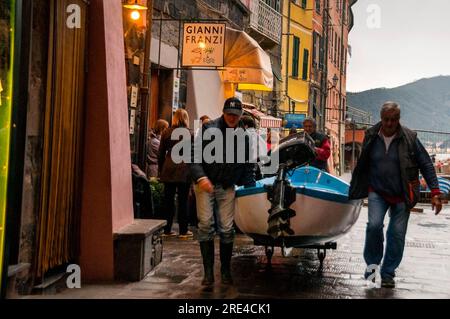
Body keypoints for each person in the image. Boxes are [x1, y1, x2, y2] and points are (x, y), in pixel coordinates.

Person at [349, 101, 443, 288]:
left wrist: (435, 192)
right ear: (381, 118)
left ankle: (388, 273)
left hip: (402, 194)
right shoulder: (371, 135)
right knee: (374, 226)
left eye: (394, 119)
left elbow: (426, 164)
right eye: (386, 119)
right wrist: (357, 185)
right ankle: (372, 266)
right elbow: (362, 164)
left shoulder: (409, 137)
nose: (390, 123)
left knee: (396, 234)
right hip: (377, 190)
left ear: (399, 119)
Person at [190, 97, 256, 285]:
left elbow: (248, 164)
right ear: (223, 112)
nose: (232, 118)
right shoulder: (208, 129)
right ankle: (208, 272)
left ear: (240, 115)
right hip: (205, 184)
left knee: (227, 229)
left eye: (236, 115)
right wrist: (201, 178)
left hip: (227, 186)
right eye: (229, 114)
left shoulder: (244, 136)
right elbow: (193, 155)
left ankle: (225, 271)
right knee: (205, 225)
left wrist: (250, 187)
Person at [158, 109, 193, 239]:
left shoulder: (166, 132)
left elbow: (161, 153)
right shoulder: (190, 134)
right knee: (183, 201)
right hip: (185, 170)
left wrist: (161, 169)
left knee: (168, 200)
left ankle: (167, 229)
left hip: (169, 169)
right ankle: (183, 230)